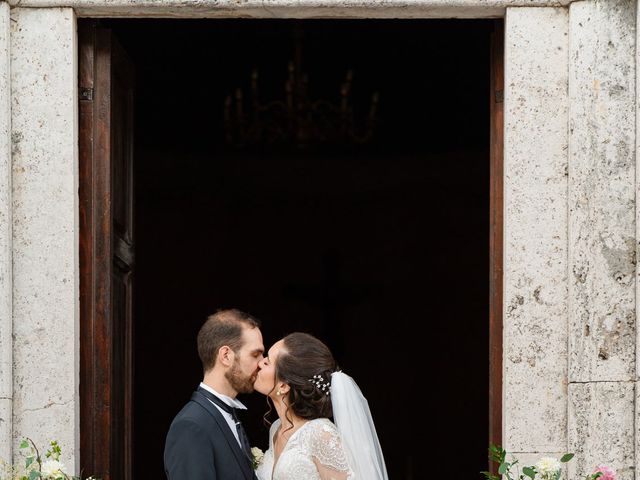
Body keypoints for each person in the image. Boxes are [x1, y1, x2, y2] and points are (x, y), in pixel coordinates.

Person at [253, 332, 388, 480]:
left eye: (268, 362)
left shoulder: (320, 433)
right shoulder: (276, 428)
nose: (259, 363)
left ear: (284, 386)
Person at [164, 309, 264, 480]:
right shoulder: (191, 426)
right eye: (255, 354)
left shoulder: (229, 414)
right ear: (226, 356)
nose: (262, 363)